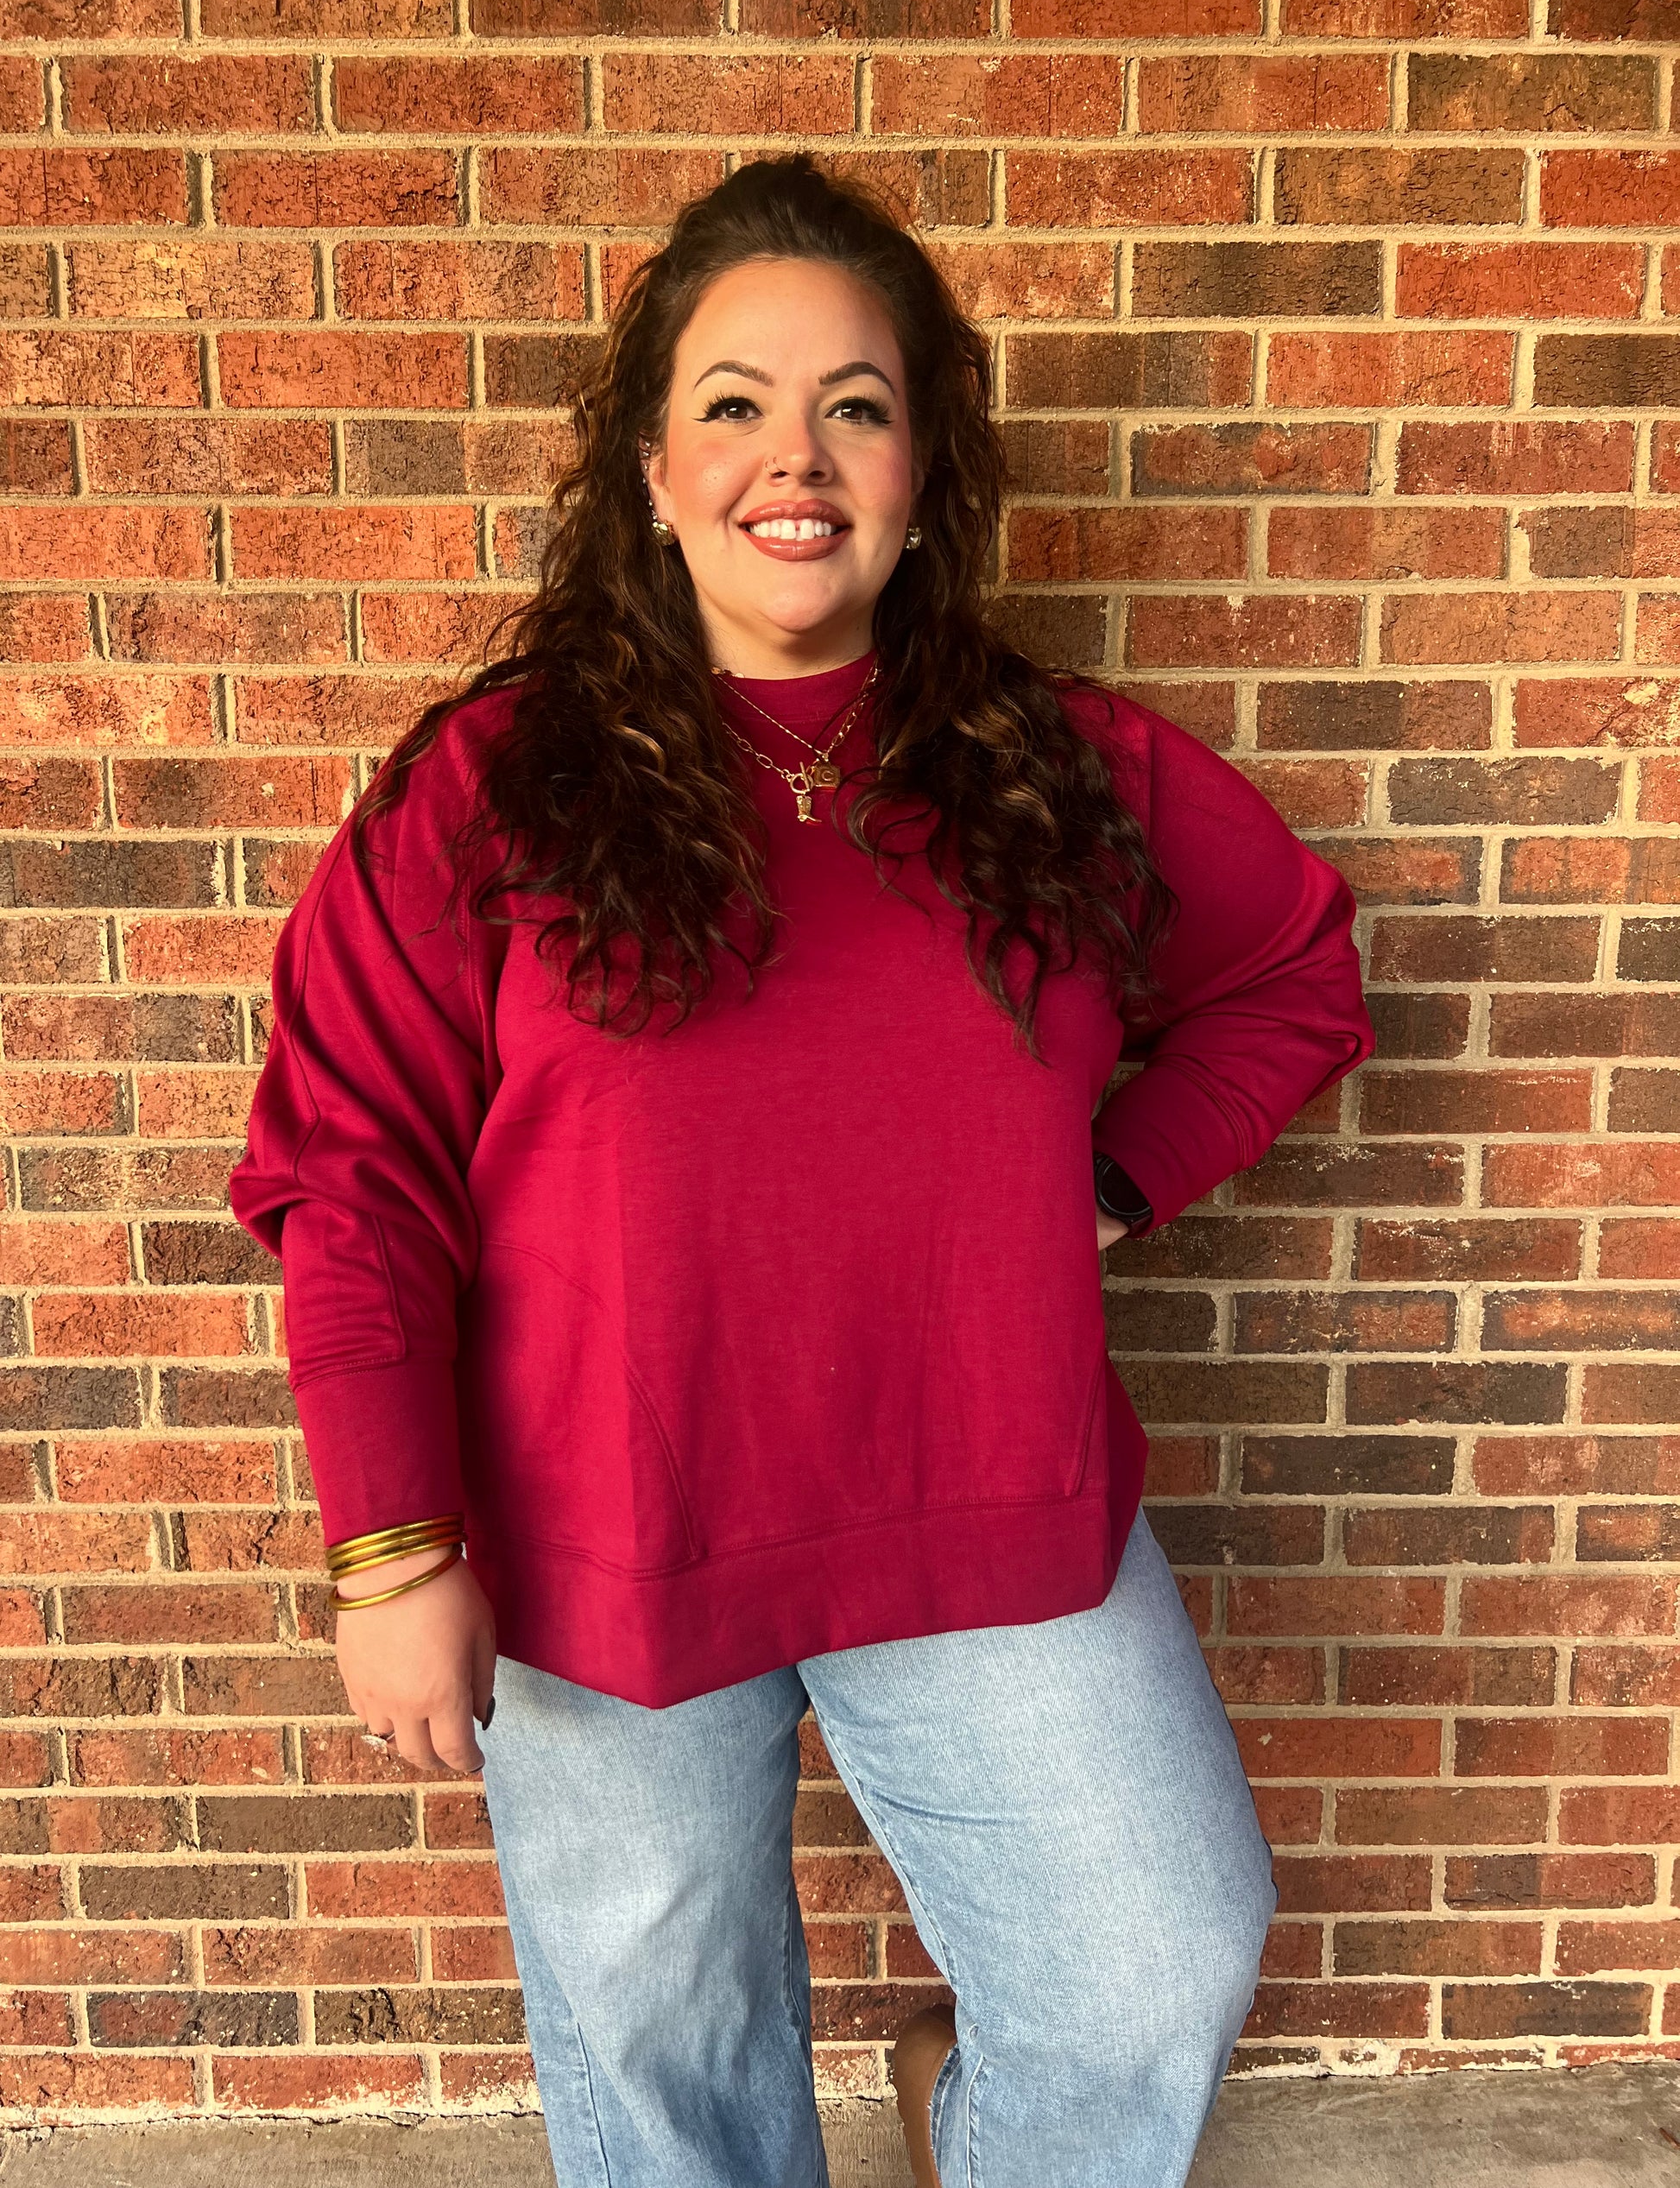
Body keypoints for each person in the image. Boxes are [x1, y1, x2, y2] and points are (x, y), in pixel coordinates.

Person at [230, 155, 1374, 2188]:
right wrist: (390, 1544)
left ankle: (971, 2121)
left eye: (857, 404)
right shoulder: (486, 793)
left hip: (980, 1486)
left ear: (923, 474)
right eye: (736, 403)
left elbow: (1292, 970)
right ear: (653, 472)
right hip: (604, 1524)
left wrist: (1104, 1186)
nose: (798, 455)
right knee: (664, 2059)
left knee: (1150, 1957)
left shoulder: (1061, 769)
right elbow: (354, 1169)